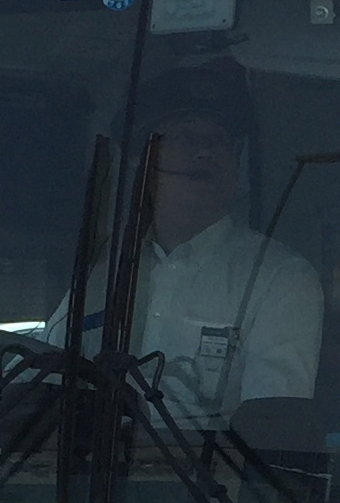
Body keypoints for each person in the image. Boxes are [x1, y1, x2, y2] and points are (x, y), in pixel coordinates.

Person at [110, 57, 323, 426]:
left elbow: (271, 432)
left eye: (220, 140)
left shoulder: (280, 279)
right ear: (140, 158)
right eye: (185, 136)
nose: (206, 152)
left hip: (205, 467)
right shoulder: (106, 269)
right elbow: (45, 387)